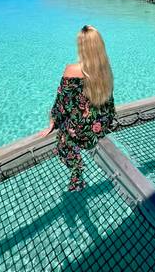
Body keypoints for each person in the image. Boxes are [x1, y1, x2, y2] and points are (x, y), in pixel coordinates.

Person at [39, 25, 115, 191]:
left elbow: (61, 105)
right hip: (98, 127)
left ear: (81, 47)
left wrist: (52, 122)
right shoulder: (105, 71)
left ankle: (77, 167)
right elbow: (109, 105)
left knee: (63, 142)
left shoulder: (72, 70)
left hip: (78, 133)